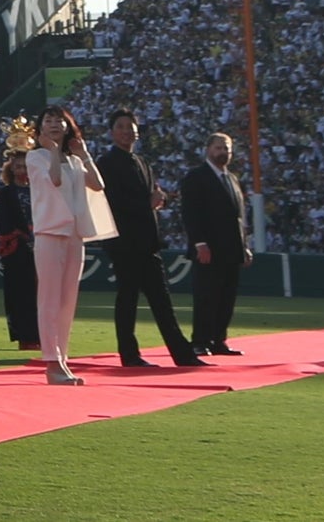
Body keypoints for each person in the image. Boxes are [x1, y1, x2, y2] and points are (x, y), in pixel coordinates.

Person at [95, 110, 206, 368]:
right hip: (124, 243)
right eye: (121, 126)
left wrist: (158, 200)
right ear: (113, 132)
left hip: (147, 242)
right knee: (128, 299)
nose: (126, 131)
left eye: (130, 127)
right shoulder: (107, 163)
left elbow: (151, 197)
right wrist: (148, 203)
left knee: (161, 300)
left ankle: (182, 354)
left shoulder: (142, 161)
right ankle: (131, 355)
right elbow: (113, 202)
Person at [24, 106, 108, 385]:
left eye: (58, 120)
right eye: (48, 120)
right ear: (40, 128)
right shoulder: (36, 157)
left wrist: (83, 154)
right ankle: (52, 360)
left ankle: (62, 357)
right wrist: (54, 150)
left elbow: (98, 185)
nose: (54, 124)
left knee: (67, 299)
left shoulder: (74, 161)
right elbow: (55, 180)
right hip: (50, 232)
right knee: (49, 298)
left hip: (74, 233)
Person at [180, 133, 252, 357]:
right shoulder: (197, 177)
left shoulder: (231, 179)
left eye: (227, 149)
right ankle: (200, 341)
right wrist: (200, 243)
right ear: (208, 149)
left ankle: (219, 340)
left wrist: (244, 245)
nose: (223, 152)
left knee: (226, 297)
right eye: (219, 148)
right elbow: (191, 214)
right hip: (209, 249)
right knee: (206, 296)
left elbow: (238, 217)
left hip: (231, 248)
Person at [0, 121, 39, 351]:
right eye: (18, 167)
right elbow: (2, 222)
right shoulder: (7, 192)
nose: (22, 171)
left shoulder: (41, 190)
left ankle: (44, 335)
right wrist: (21, 234)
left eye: (26, 167)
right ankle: (25, 335)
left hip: (40, 245)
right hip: (18, 248)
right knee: (20, 292)